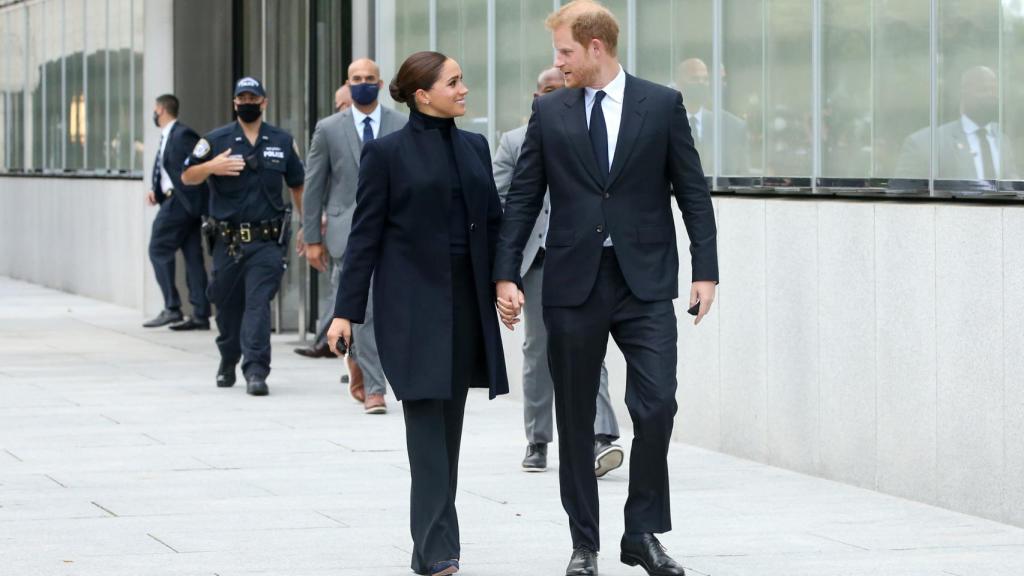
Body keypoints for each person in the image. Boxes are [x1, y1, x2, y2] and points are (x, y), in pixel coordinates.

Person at [493, 2, 718, 575]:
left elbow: (692, 190)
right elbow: (522, 198)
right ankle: (585, 543)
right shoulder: (551, 113)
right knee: (574, 417)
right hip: (573, 282)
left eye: (565, 52)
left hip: (644, 283)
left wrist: (705, 270)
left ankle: (641, 533)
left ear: (596, 47)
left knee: (658, 406)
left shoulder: (661, 104)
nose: (559, 63)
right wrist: (506, 273)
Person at [326, 51, 508, 576]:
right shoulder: (386, 155)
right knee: (427, 431)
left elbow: (494, 225)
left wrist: (505, 281)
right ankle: (438, 553)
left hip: (466, 306)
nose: (464, 88)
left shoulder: (474, 147)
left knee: (447, 435)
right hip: (413, 308)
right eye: (454, 81)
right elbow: (364, 240)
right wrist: (346, 313)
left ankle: (427, 547)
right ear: (423, 95)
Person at [493, 66, 623, 475]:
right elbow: (500, 201)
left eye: (561, 87)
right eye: (545, 89)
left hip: (584, 258)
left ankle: (601, 435)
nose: (553, 94)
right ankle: (538, 438)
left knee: (591, 345)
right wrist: (506, 269)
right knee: (537, 349)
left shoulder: (593, 133)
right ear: (536, 97)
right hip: (538, 260)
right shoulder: (513, 142)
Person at [182, 77, 305, 396]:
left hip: (267, 242)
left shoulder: (281, 139)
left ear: (264, 102)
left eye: (253, 98)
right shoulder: (215, 140)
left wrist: (308, 225)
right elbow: (188, 176)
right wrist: (212, 166)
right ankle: (228, 357)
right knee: (227, 306)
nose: (247, 103)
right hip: (229, 243)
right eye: (242, 99)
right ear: (235, 103)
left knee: (258, 304)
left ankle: (255, 370)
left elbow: (297, 184)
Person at [299, 58, 407, 414]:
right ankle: (376, 389)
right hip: (347, 234)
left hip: (394, 234)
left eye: (369, 79)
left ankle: (362, 368)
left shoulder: (400, 123)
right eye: (356, 79)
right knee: (363, 312)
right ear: (346, 84)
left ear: (379, 84)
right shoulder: (329, 129)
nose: (363, 83)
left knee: (381, 312)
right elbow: (314, 186)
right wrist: (312, 237)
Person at [143, 94, 210, 330]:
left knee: (158, 248)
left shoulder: (182, 134)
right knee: (192, 256)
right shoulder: (168, 136)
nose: (154, 112)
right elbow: (168, 170)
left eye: (154, 108)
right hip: (178, 203)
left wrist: (186, 201)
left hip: (180, 203)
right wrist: (157, 191)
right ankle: (200, 314)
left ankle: (172, 308)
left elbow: (193, 167)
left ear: (161, 109)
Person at [894, 65, 1019, 187]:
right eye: (983, 90)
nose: (991, 95)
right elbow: (905, 191)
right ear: (963, 94)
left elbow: (1011, 185)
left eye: (994, 90)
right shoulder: (926, 142)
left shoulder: (1003, 140)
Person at [675, 58, 750, 176]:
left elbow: (741, 174)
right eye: (694, 79)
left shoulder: (732, 126)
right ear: (679, 84)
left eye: (705, 79)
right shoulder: (663, 123)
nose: (701, 83)